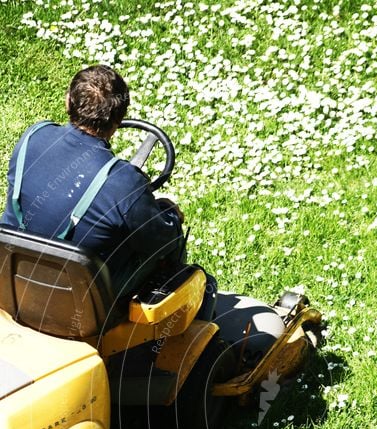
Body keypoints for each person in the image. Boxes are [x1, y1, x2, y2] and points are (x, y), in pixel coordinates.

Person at [0, 64, 216, 317]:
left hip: (11, 277)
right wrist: (169, 216)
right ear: (120, 117)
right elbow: (160, 242)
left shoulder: (32, 137)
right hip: (82, 308)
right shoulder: (124, 182)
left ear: (68, 102)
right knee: (185, 264)